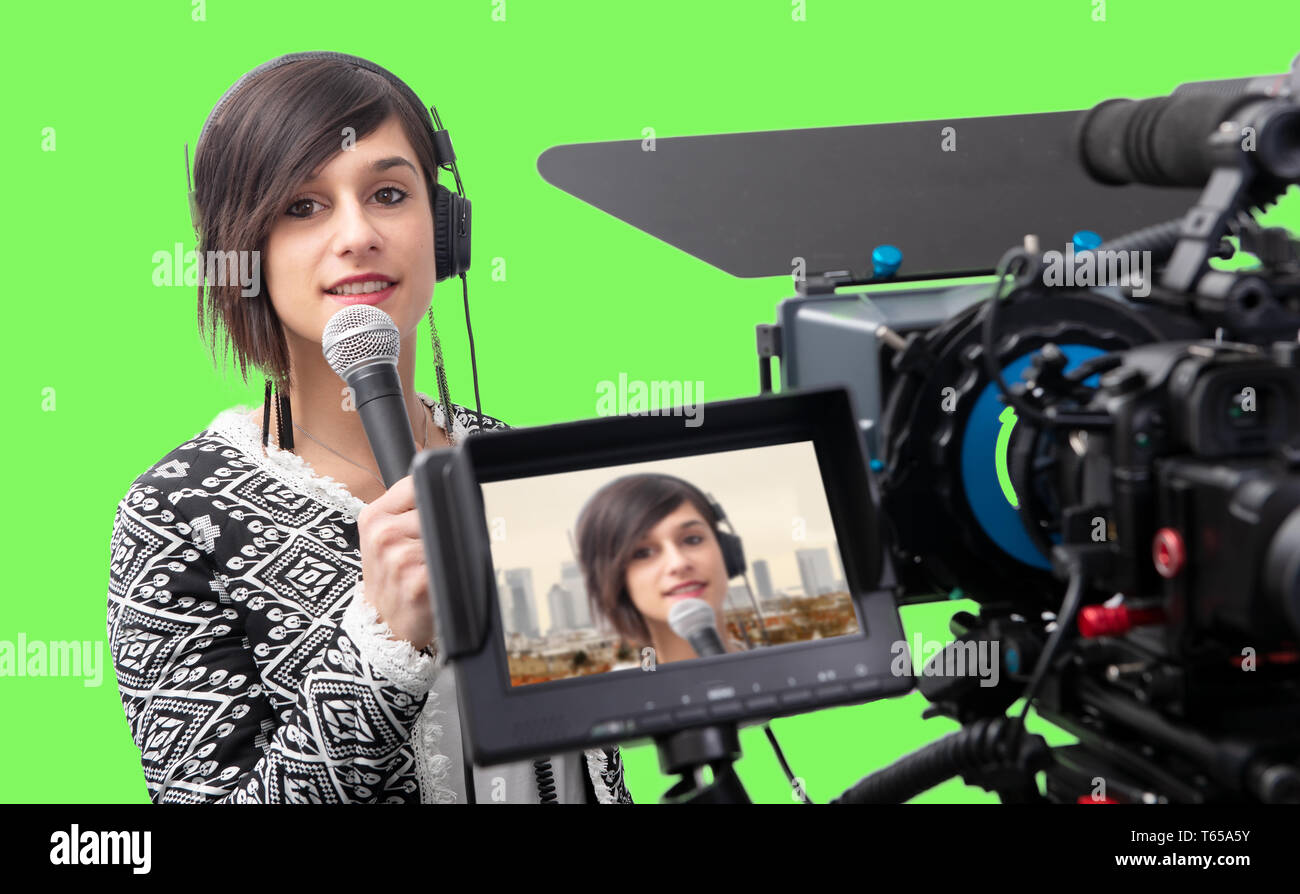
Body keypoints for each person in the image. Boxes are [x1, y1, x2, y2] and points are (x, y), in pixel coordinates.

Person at [106, 52, 631, 804]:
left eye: (388, 193)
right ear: (242, 252)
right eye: (303, 206)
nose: (356, 235)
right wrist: (381, 649)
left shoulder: (516, 460)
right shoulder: (176, 515)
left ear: (445, 229)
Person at [575, 474, 749, 666]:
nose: (678, 563)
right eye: (643, 552)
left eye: (693, 540)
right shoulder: (624, 694)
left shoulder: (780, 668)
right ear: (616, 581)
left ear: (726, 551)